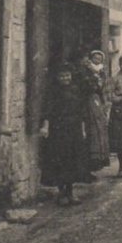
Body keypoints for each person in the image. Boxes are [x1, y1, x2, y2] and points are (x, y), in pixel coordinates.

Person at [40, 65, 87, 206]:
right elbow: (47, 111)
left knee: (73, 160)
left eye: (67, 75)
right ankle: (61, 193)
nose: (65, 78)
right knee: (61, 160)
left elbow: (81, 112)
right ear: (57, 78)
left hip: (74, 129)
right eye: (62, 76)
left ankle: (70, 192)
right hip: (59, 130)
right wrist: (46, 127)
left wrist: (83, 130)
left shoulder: (76, 90)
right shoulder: (53, 92)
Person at [79, 50, 110, 178]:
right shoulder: (86, 71)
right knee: (90, 130)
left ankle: (95, 163)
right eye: (94, 58)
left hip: (97, 100)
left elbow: (104, 87)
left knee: (98, 129)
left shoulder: (102, 71)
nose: (96, 61)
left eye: (99, 59)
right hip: (88, 101)